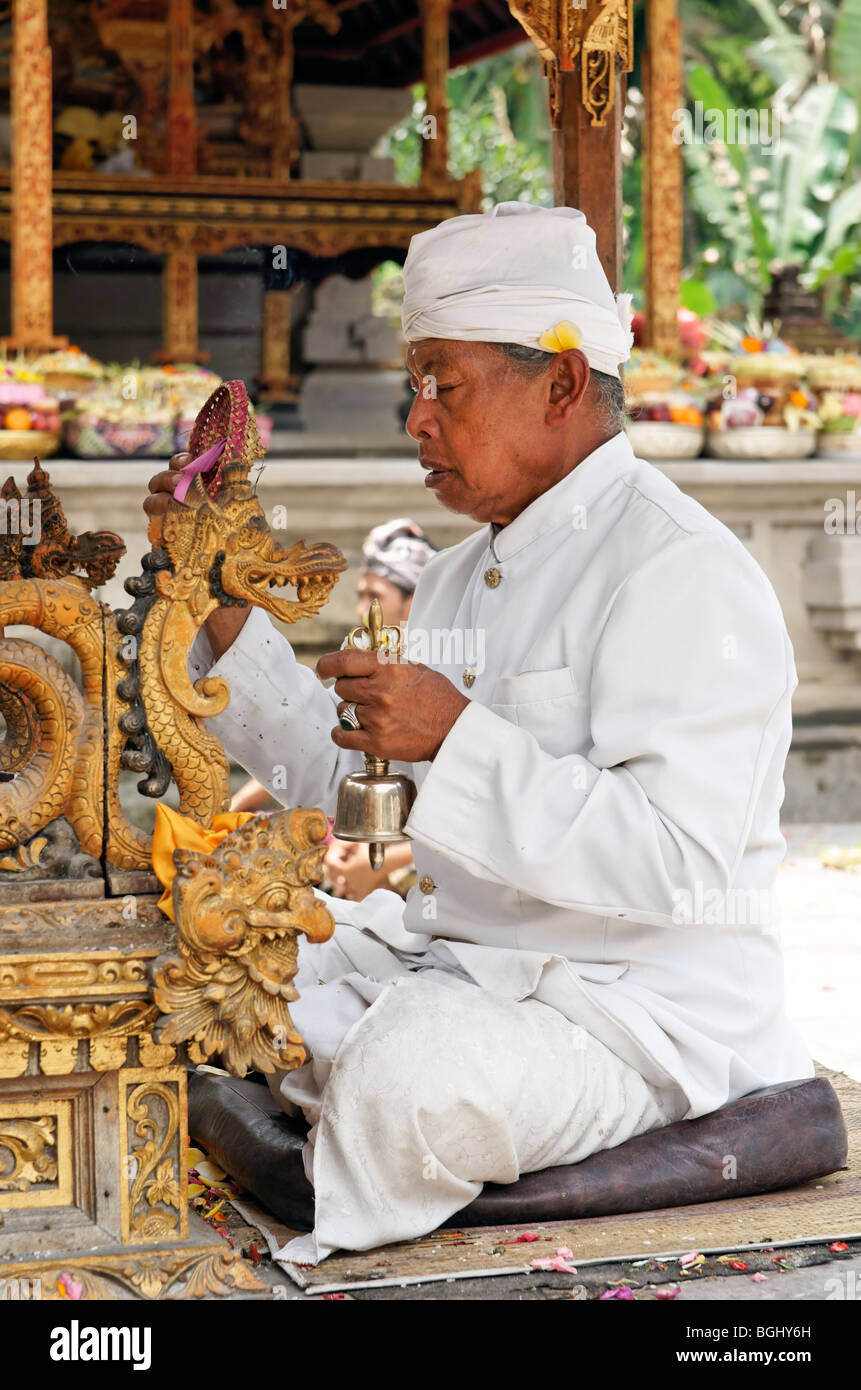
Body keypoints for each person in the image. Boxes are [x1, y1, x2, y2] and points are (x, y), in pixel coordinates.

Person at [145, 202, 812, 1264]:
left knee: (411, 1072)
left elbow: (681, 864)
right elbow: (350, 778)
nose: (415, 419)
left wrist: (457, 742)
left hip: (630, 1014)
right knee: (207, 965)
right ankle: (333, 1116)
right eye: (417, 385)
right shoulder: (460, 574)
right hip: (460, 968)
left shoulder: (682, 569)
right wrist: (220, 607)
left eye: (441, 386)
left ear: (556, 380)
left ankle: (328, 1153)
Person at [230, 518, 437, 906]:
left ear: (413, 600)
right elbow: (326, 736)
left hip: (426, 865)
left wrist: (388, 858)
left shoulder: (445, 677)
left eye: (375, 596)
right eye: (360, 596)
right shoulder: (369, 666)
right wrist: (236, 806)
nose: (364, 611)